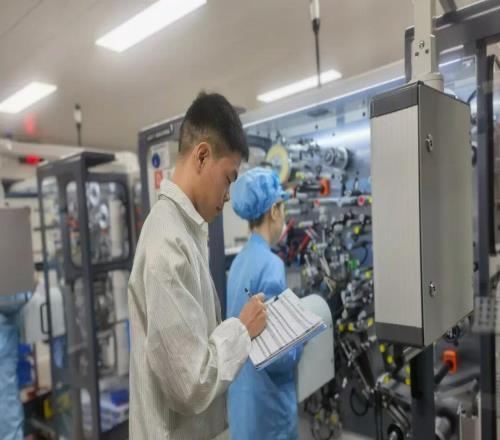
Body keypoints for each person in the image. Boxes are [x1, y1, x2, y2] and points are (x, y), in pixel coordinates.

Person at [128, 92, 267, 439]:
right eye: (229, 178)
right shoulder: (167, 241)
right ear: (202, 156)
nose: (228, 195)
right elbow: (191, 382)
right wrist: (241, 329)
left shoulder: (185, 231)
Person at [227, 167, 302, 440]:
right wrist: (301, 340)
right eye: (283, 207)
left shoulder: (239, 261)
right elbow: (279, 356)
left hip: (242, 405)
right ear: (274, 211)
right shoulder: (271, 265)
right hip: (269, 412)